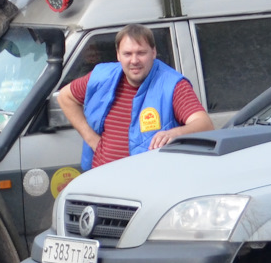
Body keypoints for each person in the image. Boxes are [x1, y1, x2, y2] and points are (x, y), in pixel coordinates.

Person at [57, 23, 212, 169]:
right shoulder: (102, 77)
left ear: (153, 52)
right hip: (102, 182)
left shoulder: (172, 85)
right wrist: (92, 140)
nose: (134, 60)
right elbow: (65, 97)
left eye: (141, 53)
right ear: (118, 55)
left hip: (146, 186)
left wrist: (175, 133)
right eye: (127, 54)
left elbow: (205, 125)